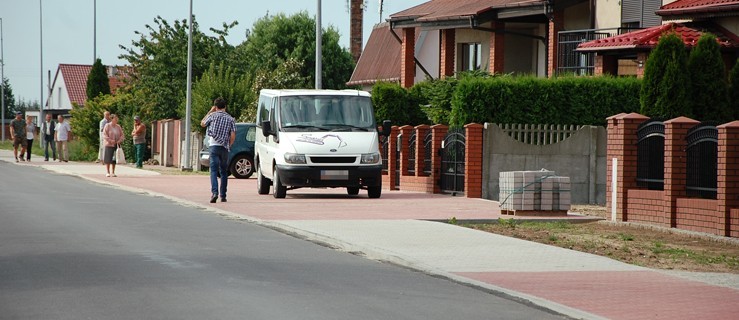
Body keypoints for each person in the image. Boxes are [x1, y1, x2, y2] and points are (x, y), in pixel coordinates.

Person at [200, 97, 236, 203]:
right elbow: (233, 135)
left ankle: (214, 192)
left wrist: (210, 111)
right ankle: (223, 195)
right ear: (225, 107)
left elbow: (202, 123)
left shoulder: (212, 116)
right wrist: (229, 145)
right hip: (224, 147)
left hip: (214, 146)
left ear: (215, 107)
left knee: (214, 170)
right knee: (224, 171)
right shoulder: (230, 119)